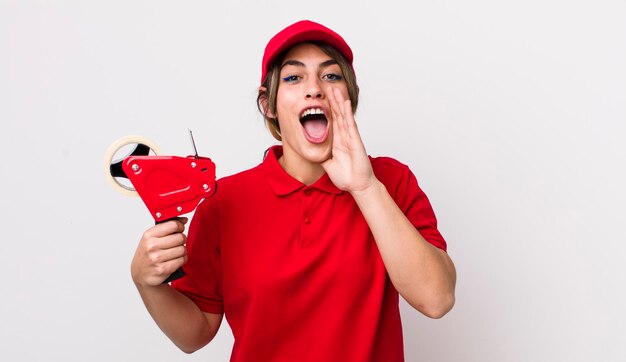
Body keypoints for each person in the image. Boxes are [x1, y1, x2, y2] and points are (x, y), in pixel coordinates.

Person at [130, 20, 456, 361]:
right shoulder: (223, 201)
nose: (314, 89)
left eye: (331, 76)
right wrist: (146, 283)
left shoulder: (390, 180)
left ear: (349, 97)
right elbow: (194, 335)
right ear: (268, 104)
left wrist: (365, 187)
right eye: (293, 77)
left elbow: (437, 299)